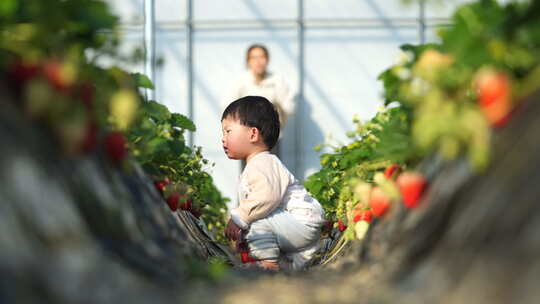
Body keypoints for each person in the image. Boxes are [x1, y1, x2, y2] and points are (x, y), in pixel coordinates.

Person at [221, 96, 325, 271]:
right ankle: (286, 263)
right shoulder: (259, 163)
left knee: (256, 221)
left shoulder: (262, 163)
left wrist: (239, 218)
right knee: (255, 221)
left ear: (253, 134)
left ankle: (267, 266)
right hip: (295, 226)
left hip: (300, 223)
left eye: (228, 131)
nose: (223, 138)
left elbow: (266, 197)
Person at [225, 44, 295, 157]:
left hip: (271, 137)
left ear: (267, 60)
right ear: (248, 61)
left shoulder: (277, 80)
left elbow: (290, 107)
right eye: (254, 58)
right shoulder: (241, 82)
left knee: (272, 170)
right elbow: (227, 106)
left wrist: (275, 108)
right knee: (249, 171)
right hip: (246, 138)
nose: (258, 61)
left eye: (262, 57)